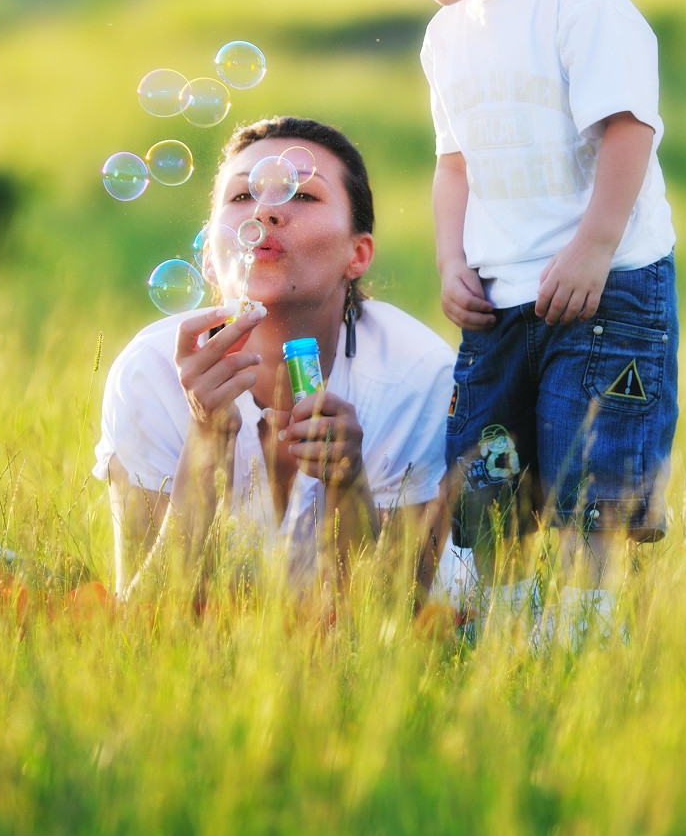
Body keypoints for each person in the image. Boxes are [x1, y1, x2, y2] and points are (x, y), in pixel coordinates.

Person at [350, 0, 679, 641]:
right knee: (486, 463)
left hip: (606, 291)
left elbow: (626, 128)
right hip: (499, 293)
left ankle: (582, 616)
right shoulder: (447, 34)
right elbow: (453, 162)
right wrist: (453, 260)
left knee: (587, 459)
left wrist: (592, 247)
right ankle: (489, 609)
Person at [93, 116, 458, 613]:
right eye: (242, 197)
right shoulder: (149, 373)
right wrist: (205, 437)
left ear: (358, 253)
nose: (265, 210)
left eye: (303, 196)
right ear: (207, 255)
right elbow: (145, 625)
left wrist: (347, 483)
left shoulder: (416, 375)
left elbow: (389, 629)